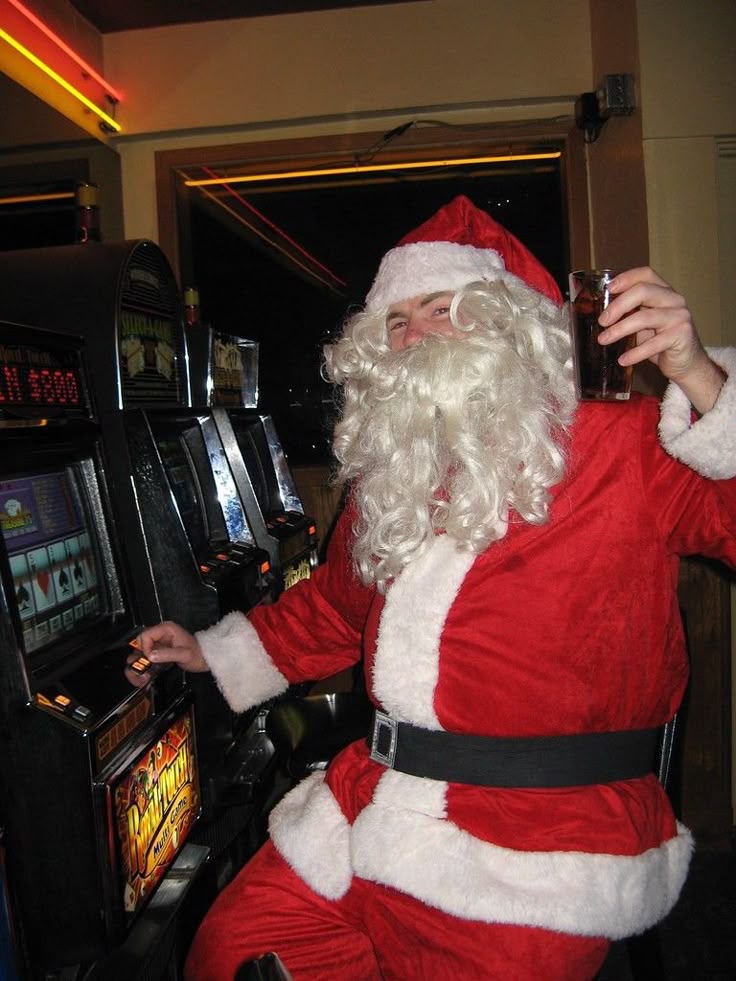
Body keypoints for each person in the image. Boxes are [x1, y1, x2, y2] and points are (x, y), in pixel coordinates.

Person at [131, 196, 736, 980]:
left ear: (508, 326)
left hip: (535, 850)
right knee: (228, 953)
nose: (413, 334)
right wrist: (213, 652)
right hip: (372, 805)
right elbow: (336, 609)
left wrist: (700, 375)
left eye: (440, 308)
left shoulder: (621, 443)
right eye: (396, 322)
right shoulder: (395, 476)